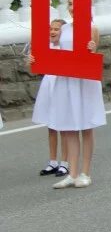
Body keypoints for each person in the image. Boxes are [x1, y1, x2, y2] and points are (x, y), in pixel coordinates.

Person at [30, 0, 104, 189]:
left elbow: (93, 53)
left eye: (76, 4)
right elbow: (50, 50)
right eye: (70, 4)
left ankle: (85, 173)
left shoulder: (92, 28)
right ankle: (71, 173)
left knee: (86, 127)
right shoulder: (63, 29)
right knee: (69, 127)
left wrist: (92, 48)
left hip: (84, 81)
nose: (72, 7)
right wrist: (34, 58)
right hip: (66, 80)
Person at [31, 19, 69, 177]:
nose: (52, 32)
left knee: (65, 127)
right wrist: (32, 61)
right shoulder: (46, 47)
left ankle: (66, 163)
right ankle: (53, 161)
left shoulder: (67, 47)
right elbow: (35, 67)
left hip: (62, 84)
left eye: (56, 29)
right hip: (49, 84)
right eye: (50, 29)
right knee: (51, 126)